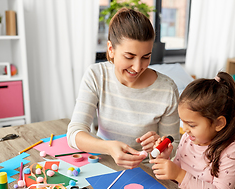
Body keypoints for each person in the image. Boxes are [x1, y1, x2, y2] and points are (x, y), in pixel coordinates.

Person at [67, 8, 180, 169]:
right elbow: (74, 135)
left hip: (146, 170)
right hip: (104, 162)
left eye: (146, 57)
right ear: (111, 49)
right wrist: (109, 147)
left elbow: (174, 144)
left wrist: (160, 147)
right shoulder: (96, 75)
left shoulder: (167, 89)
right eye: (129, 57)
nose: (137, 67)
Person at [150, 72, 235, 189]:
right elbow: (174, 178)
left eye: (192, 125)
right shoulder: (188, 138)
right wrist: (164, 159)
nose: (185, 129)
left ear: (219, 123)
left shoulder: (231, 150)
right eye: (183, 122)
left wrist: (179, 174)